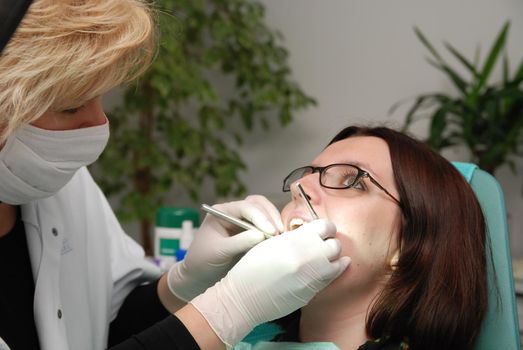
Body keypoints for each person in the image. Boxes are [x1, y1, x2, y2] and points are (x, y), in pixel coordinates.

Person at [0, 1, 350, 350]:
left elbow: (106, 327)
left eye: (354, 180)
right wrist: (228, 309)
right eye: (71, 106)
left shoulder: (59, 185)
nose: (100, 123)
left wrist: (179, 287)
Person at [233, 125, 488, 350]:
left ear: (408, 245)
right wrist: (198, 292)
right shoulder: (237, 336)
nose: (300, 187)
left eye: (353, 181)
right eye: (307, 175)